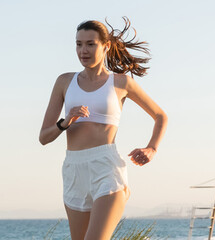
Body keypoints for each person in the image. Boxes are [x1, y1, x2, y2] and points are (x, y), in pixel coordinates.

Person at [38, 17, 168, 240]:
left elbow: (159, 115)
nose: (83, 50)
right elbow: (43, 137)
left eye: (91, 44)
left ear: (106, 46)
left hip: (106, 168)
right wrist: (66, 121)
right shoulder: (64, 82)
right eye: (78, 44)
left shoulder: (120, 83)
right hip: (73, 170)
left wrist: (152, 149)